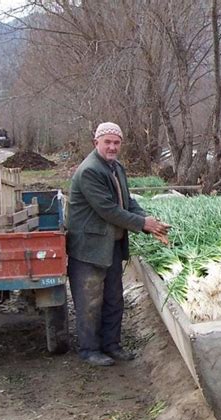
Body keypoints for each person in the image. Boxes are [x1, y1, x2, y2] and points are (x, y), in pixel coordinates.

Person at [66, 122, 171, 366]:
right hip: (89, 248)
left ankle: (111, 345)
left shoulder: (116, 167)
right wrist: (143, 224)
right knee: (90, 300)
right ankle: (90, 349)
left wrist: (147, 219)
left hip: (110, 245)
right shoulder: (90, 170)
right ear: (96, 143)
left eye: (116, 142)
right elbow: (108, 210)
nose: (112, 147)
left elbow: (127, 202)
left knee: (114, 298)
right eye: (107, 142)